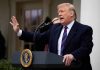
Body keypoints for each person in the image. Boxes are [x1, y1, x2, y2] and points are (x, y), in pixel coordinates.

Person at [10, 3, 93, 70]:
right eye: (58, 12)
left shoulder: (84, 29)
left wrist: (73, 55)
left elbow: (86, 48)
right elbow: (38, 37)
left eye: (62, 11)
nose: (59, 14)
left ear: (71, 13)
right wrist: (19, 31)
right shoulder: (55, 28)